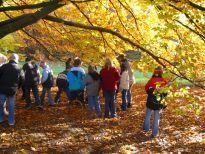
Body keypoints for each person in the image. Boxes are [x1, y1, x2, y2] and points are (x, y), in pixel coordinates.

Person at [143, 66, 168, 137]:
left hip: (150, 100)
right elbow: (166, 93)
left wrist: (151, 91)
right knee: (157, 117)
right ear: (161, 72)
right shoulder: (164, 81)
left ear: (154, 72)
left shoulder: (151, 80)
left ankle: (145, 129)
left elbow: (146, 88)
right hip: (159, 102)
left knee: (148, 115)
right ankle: (154, 133)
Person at [0, 54, 24, 126]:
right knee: (11, 106)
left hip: (2, 89)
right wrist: (18, 87)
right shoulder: (19, 68)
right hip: (12, 90)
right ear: (16, 60)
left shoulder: (3, 66)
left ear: (10, 59)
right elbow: (22, 79)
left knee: (0, 105)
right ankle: (11, 122)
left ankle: (0, 119)